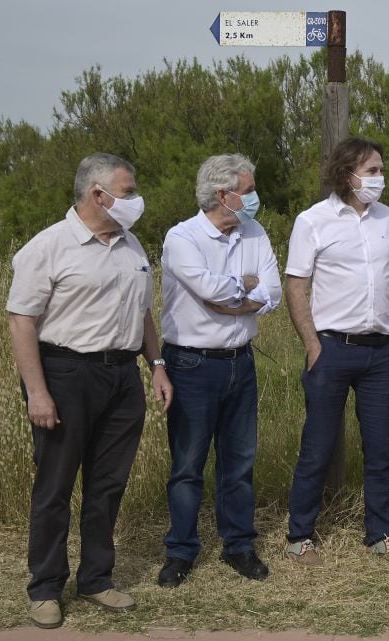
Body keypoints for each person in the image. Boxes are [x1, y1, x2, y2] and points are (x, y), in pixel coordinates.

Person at [7, 153, 172, 629]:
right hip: (65, 374)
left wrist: (156, 365)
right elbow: (22, 321)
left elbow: (142, 313)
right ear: (98, 194)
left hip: (122, 377)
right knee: (55, 486)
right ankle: (45, 588)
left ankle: (97, 577)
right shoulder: (48, 247)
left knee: (107, 484)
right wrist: (37, 393)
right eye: (128, 190)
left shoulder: (132, 245)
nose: (135, 199)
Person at [283, 137, 389, 564]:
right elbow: (296, 285)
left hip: (384, 353)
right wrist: (312, 344)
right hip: (332, 350)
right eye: (372, 171)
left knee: (380, 449)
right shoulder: (313, 221)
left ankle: (380, 534)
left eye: (380, 170)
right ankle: (300, 535)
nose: (380, 178)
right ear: (347, 174)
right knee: (318, 446)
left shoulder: (388, 219)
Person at [156, 154, 282, 587]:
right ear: (221, 194)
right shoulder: (182, 238)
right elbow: (210, 291)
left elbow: (273, 291)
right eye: (247, 192)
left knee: (239, 461)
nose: (253, 199)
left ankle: (238, 546)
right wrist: (246, 287)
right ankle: (181, 551)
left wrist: (241, 292)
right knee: (188, 462)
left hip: (240, 362)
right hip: (191, 364)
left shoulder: (254, 231)